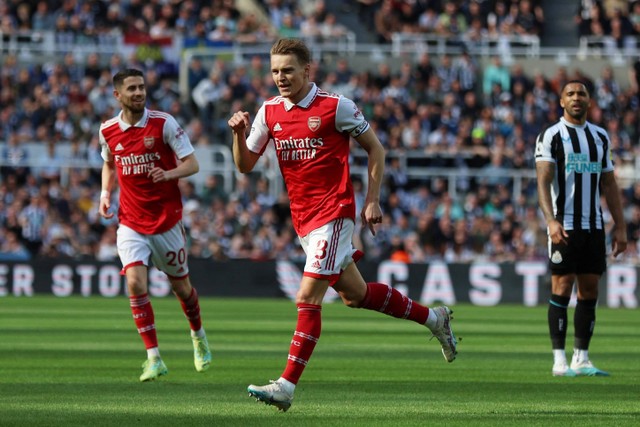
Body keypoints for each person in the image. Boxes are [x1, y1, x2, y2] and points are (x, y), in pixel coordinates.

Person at [228, 38, 457, 412]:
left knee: (306, 297)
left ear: (307, 70)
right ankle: (434, 318)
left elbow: (376, 149)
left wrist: (372, 199)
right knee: (356, 295)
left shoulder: (336, 106)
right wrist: (238, 134)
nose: (280, 78)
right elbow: (244, 165)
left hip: (334, 214)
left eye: (287, 70)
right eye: (274, 71)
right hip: (303, 221)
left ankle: (286, 385)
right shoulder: (268, 112)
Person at [98, 68, 212, 382]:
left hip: (167, 221)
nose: (138, 93)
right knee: (135, 282)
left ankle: (198, 336)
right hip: (131, 222)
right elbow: (109, 163)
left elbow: (192, 163)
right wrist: (106, 193)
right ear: (117, 95)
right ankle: (154, 357)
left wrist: (168, 174)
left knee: (182, 289)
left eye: (141, 87)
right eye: (131, 88)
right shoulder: (107, 130)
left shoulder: (164, 123)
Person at [535, 80, 627, 378]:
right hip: (564, 225)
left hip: (594, 227)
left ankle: (582, 358)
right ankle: (559, 360)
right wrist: (550, 220)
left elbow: (610, 184)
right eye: (570, 94)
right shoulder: (551, 135)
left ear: (589, 101)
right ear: (562, 101)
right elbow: (543, 181)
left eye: (582, 94)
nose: (576, 98)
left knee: (590, 290)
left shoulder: (600, 137)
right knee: (561, 287)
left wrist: (621, 228)